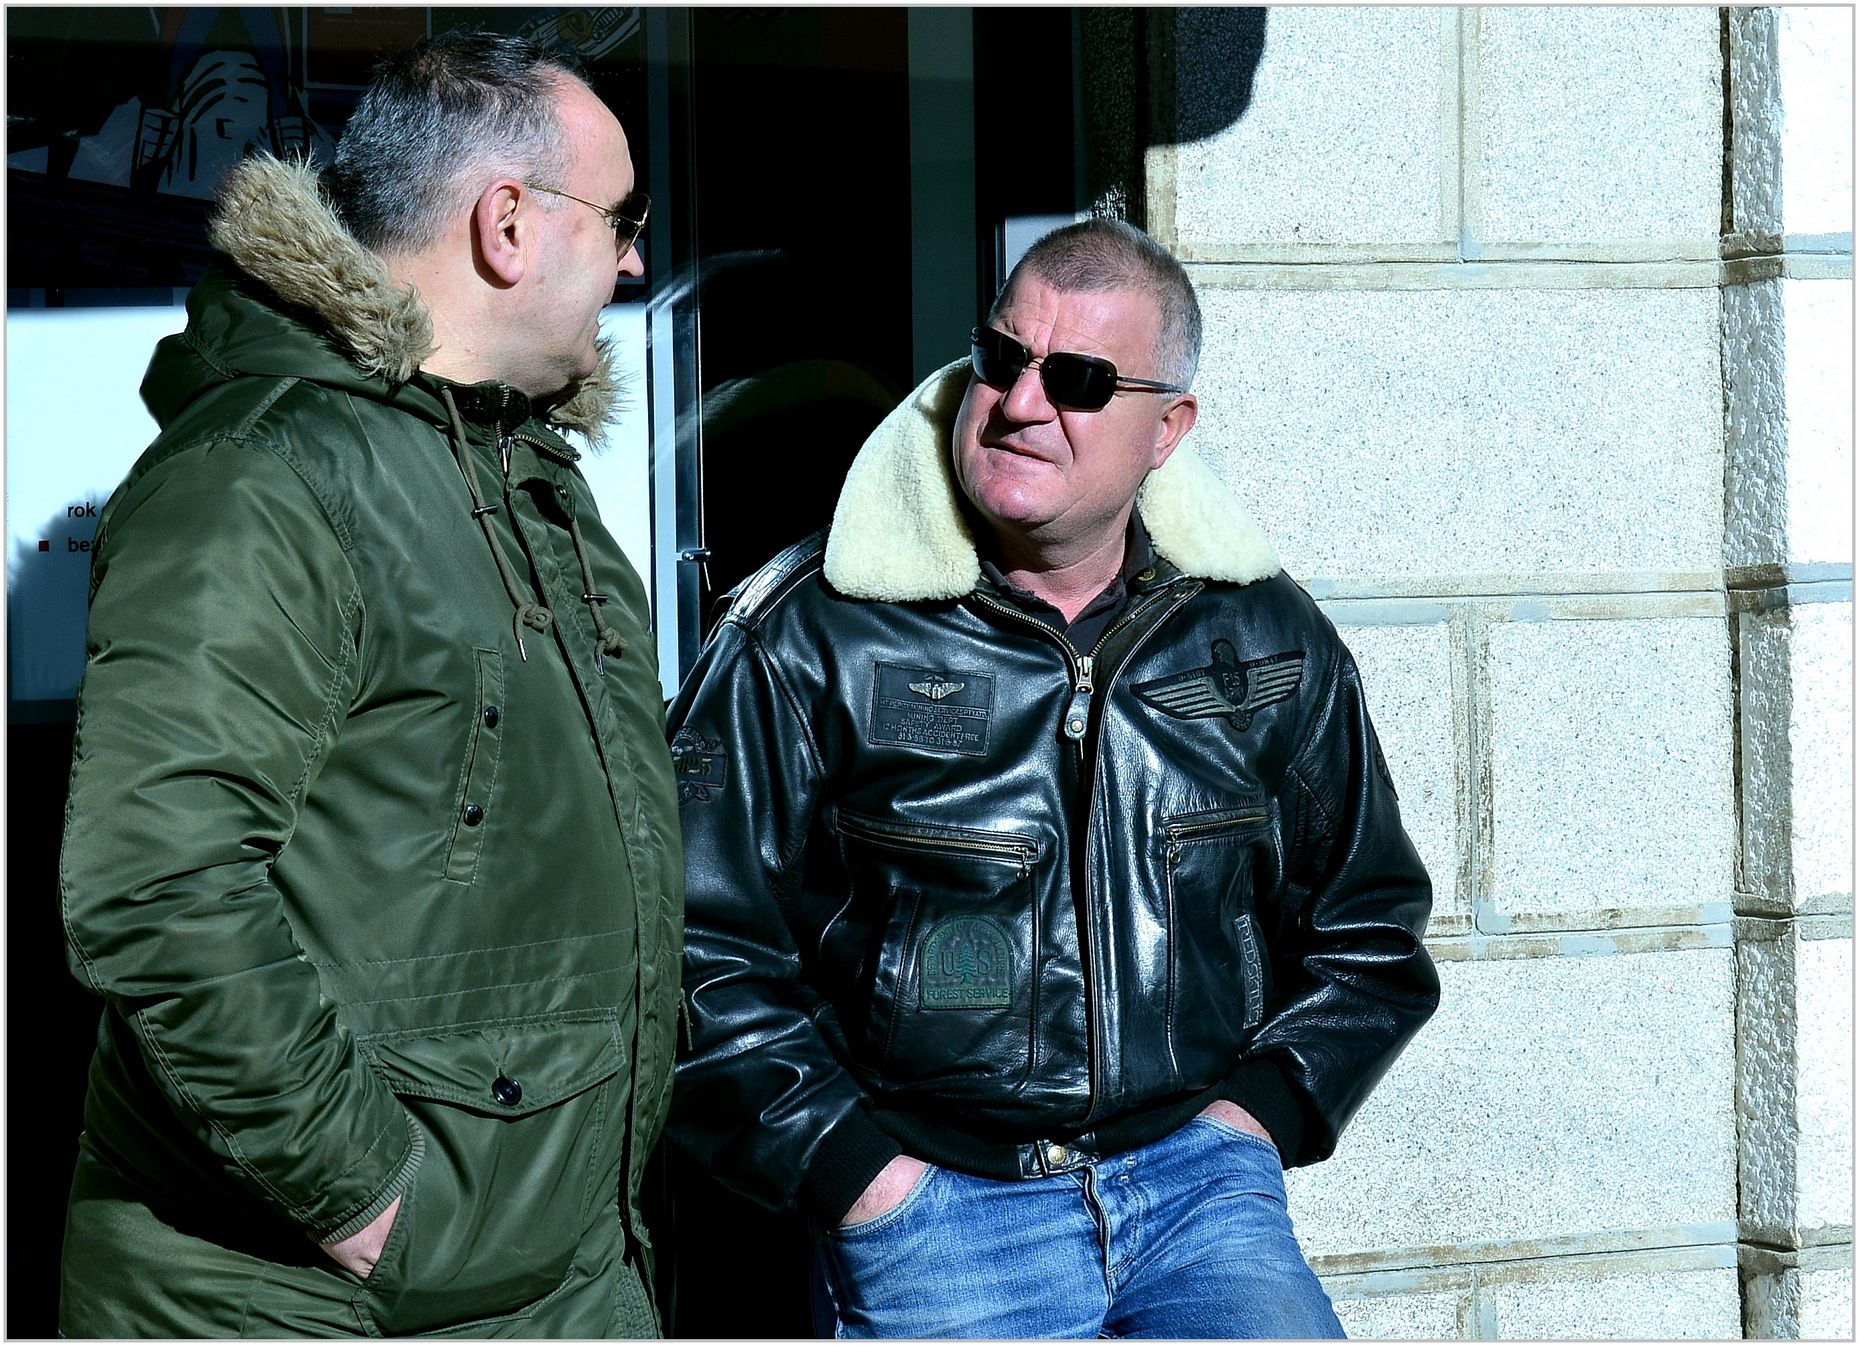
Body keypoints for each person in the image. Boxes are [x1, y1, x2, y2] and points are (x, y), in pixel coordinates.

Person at [666, 218, 1439, 1339]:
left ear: (1166, 429)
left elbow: (1368, 927)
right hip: (935, 1211)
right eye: (1000, 358)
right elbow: (690, 943)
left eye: (1078, 380)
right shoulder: (808, 632)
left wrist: (1255, 1119)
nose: (1021, 403)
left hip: (1199, 1194)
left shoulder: (1263, 636)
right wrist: (853, 1171)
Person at [57, 30, 682, 1338]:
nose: (633, 261)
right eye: (621, 219)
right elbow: (156, 882)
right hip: (306, 1298)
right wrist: (366, 1198)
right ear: (506, 223)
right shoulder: (261, 478)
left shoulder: (529, 477)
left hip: (548, 1275)